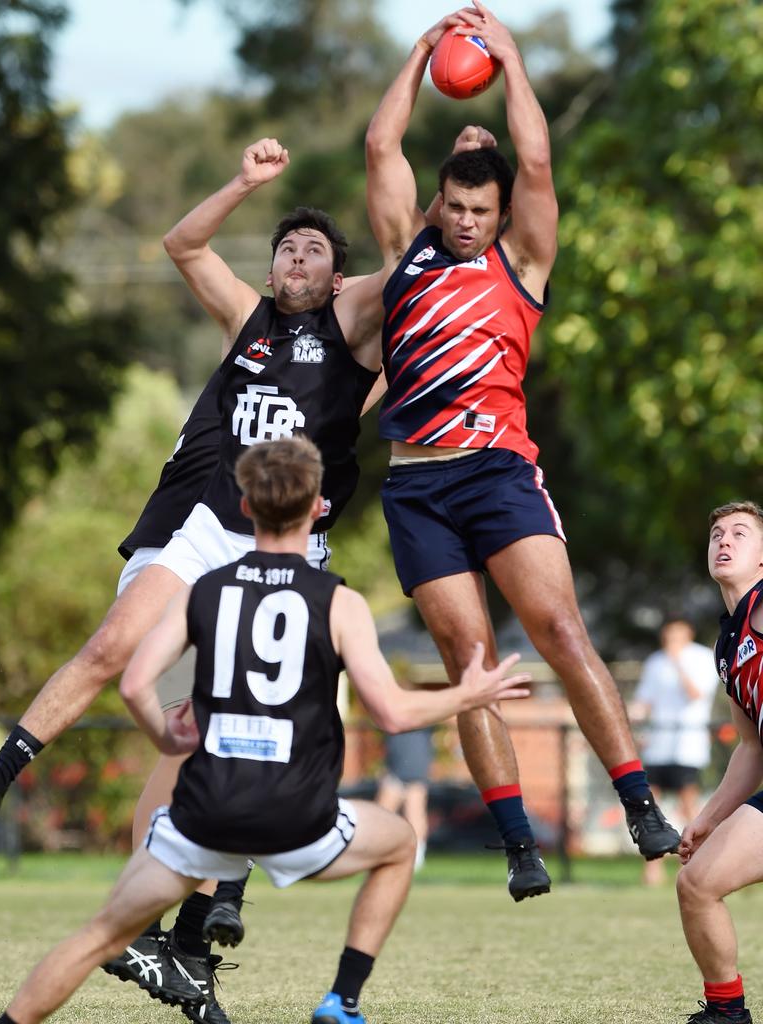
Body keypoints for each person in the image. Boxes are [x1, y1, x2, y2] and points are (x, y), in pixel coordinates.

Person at [0, 436, 534, 1024]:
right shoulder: (338, 603)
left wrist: (165, 737)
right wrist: (470, 693)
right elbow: (393, 715)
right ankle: (342, 1000)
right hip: (295, 815)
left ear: (245, 506)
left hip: (205, 813)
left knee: (100, 935)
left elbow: (132, 685)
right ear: (319, 508)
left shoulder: (201, 590)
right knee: (401, 846)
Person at [364, 0, 680, 899]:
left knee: (560, 631)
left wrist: (510, 61)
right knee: (471, 667)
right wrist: (424, 48)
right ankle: (517, 845)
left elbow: (536, 157)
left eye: (481, 209)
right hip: (417, 487)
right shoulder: (405, 256)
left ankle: (639, 803)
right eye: (456, 205)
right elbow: (381, 149)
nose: (466, 220)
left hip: (499, 471)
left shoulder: (521, 264)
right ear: (442, 202)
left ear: (503, 214)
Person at [676, 501, 763, 1024]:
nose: (724, 540)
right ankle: (726, 1013)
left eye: (740, 533)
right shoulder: (728, 643)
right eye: (716, 534)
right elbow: (752, 747)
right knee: (697, 885)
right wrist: (707, 820)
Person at [631, 618, 719, 884]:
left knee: (688, 806)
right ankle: (653, 868)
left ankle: (696, 864)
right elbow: (644, 702)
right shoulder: (655, 662)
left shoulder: (702, 659)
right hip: (658, 743)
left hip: (687, 743)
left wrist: (678, 663)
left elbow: (696, 694)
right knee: (649, 805)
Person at [375, 728, 434, 870]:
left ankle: (417, 856)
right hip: (395, 766)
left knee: (414, 812)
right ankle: (378, 852)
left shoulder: (422, 714)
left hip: (414, 766)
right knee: (381, 814)